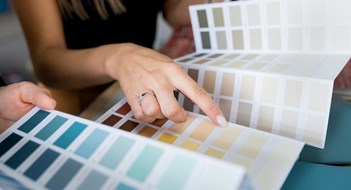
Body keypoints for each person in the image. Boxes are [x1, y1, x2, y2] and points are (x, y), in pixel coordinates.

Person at [12, 0, 228, 127]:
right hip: (71, 98)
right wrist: (119, 58)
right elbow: (46, 61)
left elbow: (173, 11)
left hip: (140, 84)